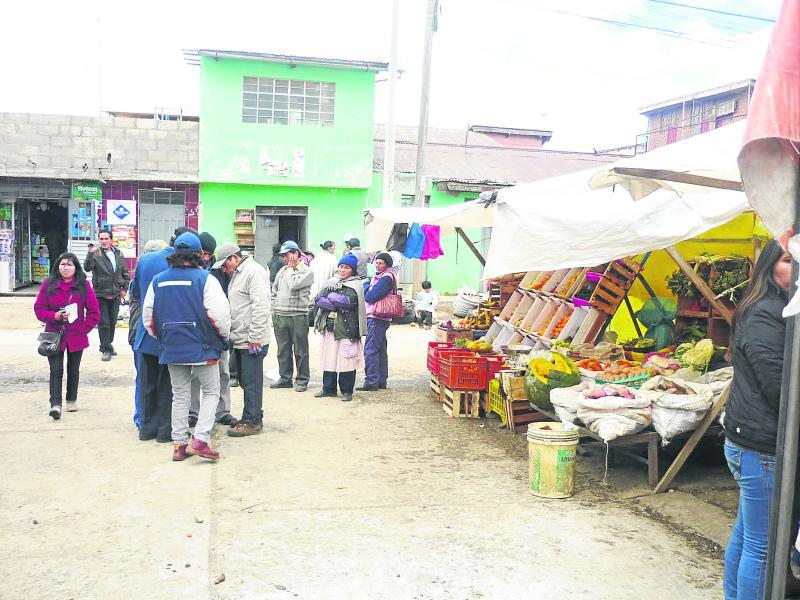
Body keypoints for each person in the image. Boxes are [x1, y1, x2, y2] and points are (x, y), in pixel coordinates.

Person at [722, 239, 791, 600]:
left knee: (748, 535)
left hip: (750, 440)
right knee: (762, 548)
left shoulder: (774, 308)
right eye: (787, 260)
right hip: (760, 447)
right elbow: (778, 385)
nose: (795, 268)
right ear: (768, 266)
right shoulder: (766, 312)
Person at [143, 232, 231, 461]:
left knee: (179, 395)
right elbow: (220, 316)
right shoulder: (206, 279)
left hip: (171, 347)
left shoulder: (158, 280)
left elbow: (148, 318)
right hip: (203, 347)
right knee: (211, 391)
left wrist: (162, 338)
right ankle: (200, 440)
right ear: (200, 255)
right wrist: (223, 339)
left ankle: (179, 446)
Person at [131, 229, 196, 442]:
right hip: (171, 335)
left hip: (145, 332)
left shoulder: (146, 260)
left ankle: (145, 429)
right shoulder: (183, 266)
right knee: (168, 386)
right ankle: (164, 431)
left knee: (146, 382)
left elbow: (136, 296)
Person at [213, 242, 271, 436]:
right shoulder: (238, 274)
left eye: (224, 263)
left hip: (251, 340)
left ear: (234, 258)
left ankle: (252, 420)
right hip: (241, 338)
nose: (223, 268)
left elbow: (261, 306)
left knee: (252, 381)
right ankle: (251, 414)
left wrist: (254, 336)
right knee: (246, 380)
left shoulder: (254, 272)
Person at [34, 253, 100, 420]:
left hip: (76, 334)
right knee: (55, 370)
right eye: (63, 264)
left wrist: (83, 329)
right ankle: (55, 404)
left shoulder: (84, 286)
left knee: (73, 369)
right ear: (58, 266)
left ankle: (71, 399)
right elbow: (39, 309)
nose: (66, 267)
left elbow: (94, 312)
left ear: (75, 268)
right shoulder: (48, 284)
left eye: (70, 265)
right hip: (54, 334)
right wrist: (54, 316)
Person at [187, 233, 239, 428]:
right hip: (197, 329)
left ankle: (222, 411)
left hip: (219, 327)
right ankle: (193, 412)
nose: (206, 258)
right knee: (194, 373)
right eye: (204, 253)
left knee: (223, 371)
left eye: (209, 254)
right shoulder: (191, 270)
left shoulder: (221, 271)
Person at [312, 254, 367, 401]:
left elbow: (348, 302)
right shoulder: (331, 282)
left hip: (347, 329)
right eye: (341, 266)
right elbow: (318, 299)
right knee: (329, 359)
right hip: (331, 327)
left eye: (346, 267)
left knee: (346, 360)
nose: (342, 270)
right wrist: (333, 300)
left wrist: (330, 297)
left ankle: (347, 391)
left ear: (353, 270)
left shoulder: (356, 285)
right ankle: (328, 389)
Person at [129, 239, 165, 429]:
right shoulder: (163, 269)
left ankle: (142, 419)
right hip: (150, 331)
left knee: (143, 379)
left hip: (139, 333)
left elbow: (134, 295)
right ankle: (154, 419)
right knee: (160, 380)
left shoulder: (141, 268)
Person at [270, 240, 314, 392]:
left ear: (296, 253)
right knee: (283, 350)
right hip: (280, 315)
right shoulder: (282, 271)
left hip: (298, 315)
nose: (284, 258)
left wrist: (290, 268)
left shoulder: (307, 271)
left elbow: (294, 284)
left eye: (287, 254)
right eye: (283, 255)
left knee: (301, 350)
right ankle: (285, 378)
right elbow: (274, 291)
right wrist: (273, 310)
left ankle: (302, 379)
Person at [84, 229, 130, 361]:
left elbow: (124, 273)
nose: (103, 241)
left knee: (112, 322)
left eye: (106, 239)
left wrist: (125, 288)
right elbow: (87, 268)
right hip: (100, 293)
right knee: (103, 322)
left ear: (111, 240)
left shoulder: (119, 254)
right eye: (101, 239)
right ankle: (106, 349)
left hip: (116, 293)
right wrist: (89, 253)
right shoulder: (96, 254)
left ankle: (107, 344)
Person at [358, 252, 396, 391]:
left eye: (381, 263)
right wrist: (369, 286)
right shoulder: (381, 276)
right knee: (380, 349)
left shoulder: (386, 277)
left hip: (376, 317)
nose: (378, 265)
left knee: (370, 349)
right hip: (380, 318)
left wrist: (367, 287)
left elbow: (370, 297)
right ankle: (380, 380)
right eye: (376, 262)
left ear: (387, 265)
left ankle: (371, 382)